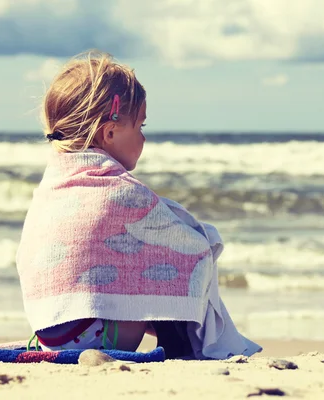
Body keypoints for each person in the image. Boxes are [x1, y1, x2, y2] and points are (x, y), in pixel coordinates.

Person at [16, 50, 261, 359]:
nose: (144, 138)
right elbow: (194, 247)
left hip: (51, 332)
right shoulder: (121, 192)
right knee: (181, 254)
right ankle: (180, 348)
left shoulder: (51, 188)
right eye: (140, 127)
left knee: (134, 260)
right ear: (110, 132)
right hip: (99, 338)